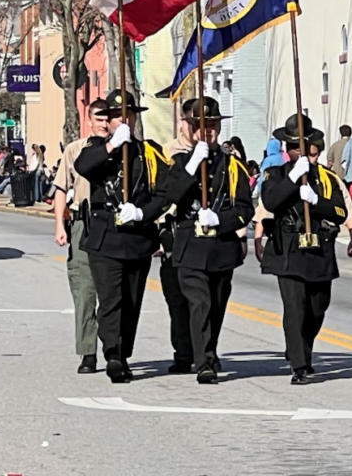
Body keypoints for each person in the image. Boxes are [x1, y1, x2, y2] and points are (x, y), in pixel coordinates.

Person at [75, 90, 172, 383]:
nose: (123, 120)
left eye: (128, 115)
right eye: (117, 116)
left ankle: (124, 351)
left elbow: (165, 192)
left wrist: (144, 213)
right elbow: (83, 166)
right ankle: (114, 355)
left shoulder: (149, 152)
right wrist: (112, 146)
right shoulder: (98, 148)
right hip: (106, 236)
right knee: (110, 300)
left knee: (131, 301)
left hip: (138, 236)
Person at [258, 113, 352, 385]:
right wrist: (292, 178)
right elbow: (270, 201)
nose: (299, 152)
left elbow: (339, 211)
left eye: (302, 148)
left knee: (317, 309)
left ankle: (302, 346)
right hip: (289, 250)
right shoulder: (276, 174)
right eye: (293, 148)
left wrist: (316, 202)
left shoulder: (325, 178)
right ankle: (300, 365)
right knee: (295, 308)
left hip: (319, 250)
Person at [164, 97, 254, 384]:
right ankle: (203, 361)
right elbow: (172, 196)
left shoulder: (232, 165)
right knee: (199, 303)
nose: (208, 131)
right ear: (190, 128)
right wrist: (193, 165)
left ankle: (209, 351)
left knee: (215, 306)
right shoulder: (178, 162)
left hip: (221, 247)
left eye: (213, 125)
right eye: (201, 126)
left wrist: (221, 221)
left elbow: (244, 208)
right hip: (190, 246)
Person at [52, 100, 108, 374]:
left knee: (112, 292)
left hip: (112, 225)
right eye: (99, 117)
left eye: (108, 117)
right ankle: (88, 352)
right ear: (89, 119)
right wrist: (59, 227)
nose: (104, 122)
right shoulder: (75, 150)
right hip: (82, 223)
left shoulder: (122, 149)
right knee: (85, 292)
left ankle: (115, 349)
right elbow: (61, 189)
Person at [159, 100, 199, 374]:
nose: (198, 128)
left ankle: (205, 350)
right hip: (174, 233)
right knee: (178, 299)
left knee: (206, 299)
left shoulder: (217, 154)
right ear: (181, 122)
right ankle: (184, 352)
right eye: (192, 122)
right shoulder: (168, 154)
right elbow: (161, 196)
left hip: (205, 235)